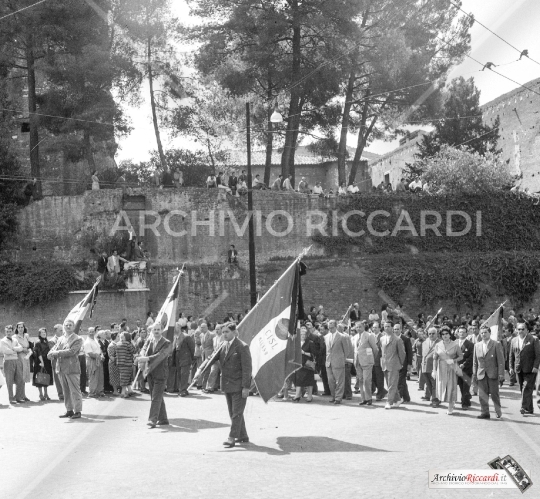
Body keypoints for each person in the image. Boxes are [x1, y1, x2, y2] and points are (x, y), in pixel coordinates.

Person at [206, 323, 252, 448]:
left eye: (227, 332)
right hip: (227, 384)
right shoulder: (222, 345)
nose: (224, 334)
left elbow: (247, 369)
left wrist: (246, 387)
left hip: (239, 385)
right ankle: (242, 436)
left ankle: (232, 438)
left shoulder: (242, 346)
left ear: (234, 332)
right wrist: (200, 371)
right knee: (233, 412)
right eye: (223, 332)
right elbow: (211, 358)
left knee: (236, 412)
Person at [47, 319, 83, 419]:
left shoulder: (78, 339)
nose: (68, 327)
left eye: (70, 325)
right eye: (66, 325)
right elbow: (55, 348)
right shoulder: (61, 338)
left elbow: (72, 351)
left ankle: (78, 411)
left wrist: (56, 353)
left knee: (75, 390)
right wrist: (50, 353)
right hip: (61, 368)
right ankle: (69, 410)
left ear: (74, 326)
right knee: (65, 391)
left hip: (72, 368)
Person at [138, 323, 172, 428]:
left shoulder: (166, 343)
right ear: (152, 331)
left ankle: (152, 419)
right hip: (150, 372)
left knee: (156, 397)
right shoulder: (149, 341)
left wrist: (146, 359)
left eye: (158, 329)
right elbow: (144, 349)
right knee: (156, 396)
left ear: (162, 330)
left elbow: (160, 356)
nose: (156, 331)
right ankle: (163, 419)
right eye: (154, 330)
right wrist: (141, 356)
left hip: (161, 373)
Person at [473, 326, 505, 419]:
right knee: (482, 395)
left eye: (485, 332)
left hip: (493, 373)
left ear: (490, 333)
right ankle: (485, 412)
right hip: (481, 373)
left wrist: (501, 374)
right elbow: (475, 362)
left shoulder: (496, 344)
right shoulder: (477, 345)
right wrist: (474, 374)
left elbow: (501, 361)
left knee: (494, 394)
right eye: (482, 333)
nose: (483, 334)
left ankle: (498, 411)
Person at [509, 322, 540, 415]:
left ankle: (523, 407)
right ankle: (530, 408)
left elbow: (538, 355)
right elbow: (511, 355)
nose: (520, 331)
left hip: (530, 369)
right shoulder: (514, 340)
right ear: (516, 330)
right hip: (519, 368)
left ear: (527, 330)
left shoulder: (534, 339)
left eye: (522, 329)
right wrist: (511, 367)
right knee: (523, 389)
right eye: (519, 329)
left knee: (526, 387)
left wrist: (535, 366)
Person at [433, 326, 463, 415]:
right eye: (443, 334)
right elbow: (435, 358)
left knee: (451, 386)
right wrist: (434, 370)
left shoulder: (455, 345)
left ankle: (451, 405)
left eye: (446, 333)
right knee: (442, 386)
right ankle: (444, 401)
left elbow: (461, 356)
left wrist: (453, 360)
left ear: (450, 334)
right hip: (441, 368)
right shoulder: (438, 345)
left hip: (451, 367)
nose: (445, 335)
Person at [324, 319, 351, 405]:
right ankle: (333, 396)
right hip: (329, 362)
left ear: (336, 327)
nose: (330, 329)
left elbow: (346, 350)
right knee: (330, 381)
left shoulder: (342, 337)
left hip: (338, 361)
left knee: (339, 381)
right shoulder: (326, 337)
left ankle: (338, 398)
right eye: (329, 327)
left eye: (332, 327)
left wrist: (342, 358)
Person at [380, 321, 405, 409]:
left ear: (392, 328)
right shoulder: (382, 338)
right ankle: (398, 399)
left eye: (388, 326)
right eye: (385, 326)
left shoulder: (397, 339)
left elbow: (402, 353)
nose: (386, 328)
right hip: (385, 364)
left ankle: (389, 402)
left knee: (392, 384)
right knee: (389, 383)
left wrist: (400, 363)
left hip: (394, 364)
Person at [355, 323, 379, 406]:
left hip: (367, 361)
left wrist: (371, 358)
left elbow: (375, 349)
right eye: (357, 327)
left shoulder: (369, 335)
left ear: (364, 327)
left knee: (366, 380)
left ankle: (369, 398)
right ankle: (363, 398)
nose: (358, 328)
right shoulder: (355, 337)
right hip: (358, 362)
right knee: (360, 380)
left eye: (360, 326)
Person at [0, 325, 24, 404]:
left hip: (16, 360)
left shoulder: (15, 340)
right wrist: (15, 350)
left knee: (19, 379)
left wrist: (13, 349)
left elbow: (21, 348)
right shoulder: (2, 341)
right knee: (9, 380)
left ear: (12, 331)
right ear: (5, 332)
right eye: (7, 332)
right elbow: (5, 351)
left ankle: (18, 397)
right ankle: (11, 398)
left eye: (10, 331)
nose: (8, 333)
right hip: (8, 361)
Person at [293, 326, 317, 402]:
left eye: (304, 334)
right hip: (298, 364)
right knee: (298, 380)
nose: (303, 336)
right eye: (301, 334)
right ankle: (297, 395)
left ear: (307, 335)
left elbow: (314, 354)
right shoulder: (296, 343)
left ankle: (309, 396)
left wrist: (304, 352)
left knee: (309, 381)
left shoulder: (310, 343)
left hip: (308, 365)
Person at [456, 325, 474, 410]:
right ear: (457, 333)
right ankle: (466, 400)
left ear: (466, 334)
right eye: (460, 332)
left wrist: (464, 364)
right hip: (457, 369)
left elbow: (471, 357)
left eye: (463, 332)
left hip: (466, 369)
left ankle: (464, 404)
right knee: (460, 386)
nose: (462, 334)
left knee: (466, 386)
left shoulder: (470, 344)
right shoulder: (454, 343)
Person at [174, 325, 195, 397]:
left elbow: (192, 348)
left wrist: (192, 359)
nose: (174, 329)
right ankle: (183, 389)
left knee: (184, 374)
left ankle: (182, 390)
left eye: (175, 327)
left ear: (179, 328)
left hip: (185, 358)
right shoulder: (176, 337)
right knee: (180, 374)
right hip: (178, 358)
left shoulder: (186, 337)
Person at [422, 327, 440, 407]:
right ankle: (433, 398)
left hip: (434, 367)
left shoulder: (440, 343)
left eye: (433, 333)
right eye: (429, 333)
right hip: (425, 367)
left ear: (437, 334)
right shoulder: (425, 342)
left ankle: (435, 400)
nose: (431, 335)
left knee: (434, 385)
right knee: (428, 384)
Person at [33, 328, 53, 401]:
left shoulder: (47, 342)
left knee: (46, 377)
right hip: (40, 361)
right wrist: (42, 362)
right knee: (40, 378)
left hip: (47, 361)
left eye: (44, 332)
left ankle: (46, 394)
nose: (43, 333)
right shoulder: (38, 343)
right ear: (39, 334)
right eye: (41, 332)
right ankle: (41, 394)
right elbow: (39, 353)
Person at [395, 323, 412, 403]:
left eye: (397, 329)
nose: (396, 330)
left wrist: (409, 364)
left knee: (400, 381)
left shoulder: (405, 339)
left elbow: (409, 352)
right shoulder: (393, 338)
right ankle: (406, 397)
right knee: (402, 381)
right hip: (395, 363)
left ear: (401, 330)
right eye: (395, 329)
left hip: (404, 363)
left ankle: (399, 397)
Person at [14, 322, 31, 402]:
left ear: (24, 328)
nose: (21, 329)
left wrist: (28, 349)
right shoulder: (15, 337)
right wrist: (23, 349)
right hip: (19, 358)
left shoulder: (26, 336)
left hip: (26, 358)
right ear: (17, 329)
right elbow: (14, 348)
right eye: (19, 327)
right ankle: (18, 396)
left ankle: (23, 395)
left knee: (24, 377)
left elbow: (30, 345)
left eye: (22, 327)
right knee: (19, 377)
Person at [117, 332, 135, 398]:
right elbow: (133, 351)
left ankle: (129, 390)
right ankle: (123, 393)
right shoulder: (128, 344)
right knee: (126, 378)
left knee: (124, 377)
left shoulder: (118, 343)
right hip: (127, 363)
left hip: (120, 363)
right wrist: (132, 343)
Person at [108, 332, 121, 396]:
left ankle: (118, 390)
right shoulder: (111, 345)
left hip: (117, 363)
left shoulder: (117, 344)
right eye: (118, 336)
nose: (119, 337)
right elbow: (111, 356)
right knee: (113, 376)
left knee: (117, 376)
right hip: (113, 364)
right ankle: (115, 391)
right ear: (115, 337)